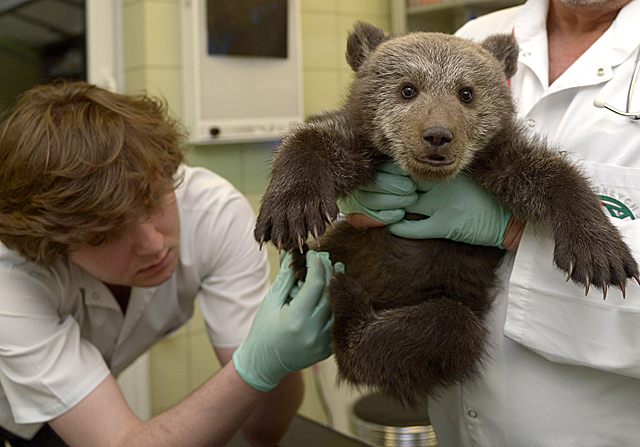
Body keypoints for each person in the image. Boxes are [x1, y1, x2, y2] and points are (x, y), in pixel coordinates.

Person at [341, 0, 640, 445]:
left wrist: (514, 231)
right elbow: (363, 121)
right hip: (455, 422)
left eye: (464, 96)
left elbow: (545, 180)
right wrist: (355, 181)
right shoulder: (479, 35)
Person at [0, 81, 340, 447]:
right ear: (54, 246)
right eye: (106, 233)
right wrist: (256, 367)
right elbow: (120, 441)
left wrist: (280, 359)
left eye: (153, 201)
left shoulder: (212, 215)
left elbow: (262, 430)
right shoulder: (14, 281)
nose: (153, 244)